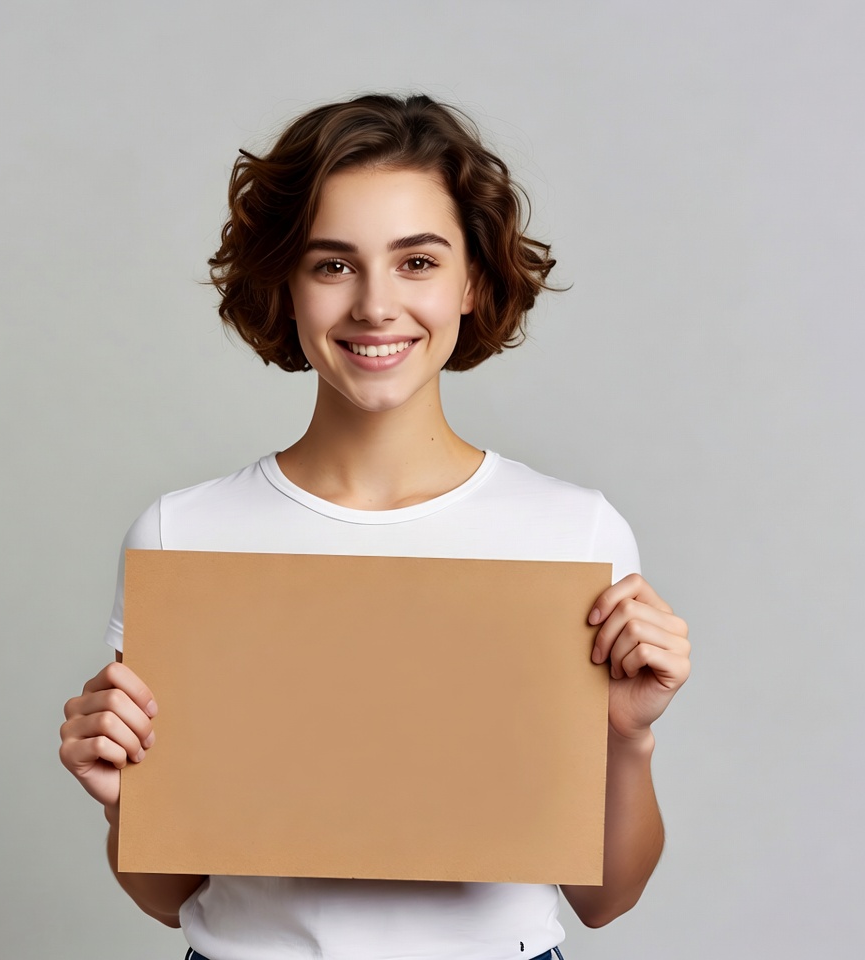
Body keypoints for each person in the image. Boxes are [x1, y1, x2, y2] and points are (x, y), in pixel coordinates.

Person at [59, 93, 690, 960]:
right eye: (332, 264)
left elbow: (604, 900)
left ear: (472, 279)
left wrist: (628, 737)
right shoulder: (185, 533)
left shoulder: (572, 534)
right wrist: (122, 796)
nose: (375, 305)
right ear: (286, 281)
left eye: (417, 261)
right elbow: (171, 896)